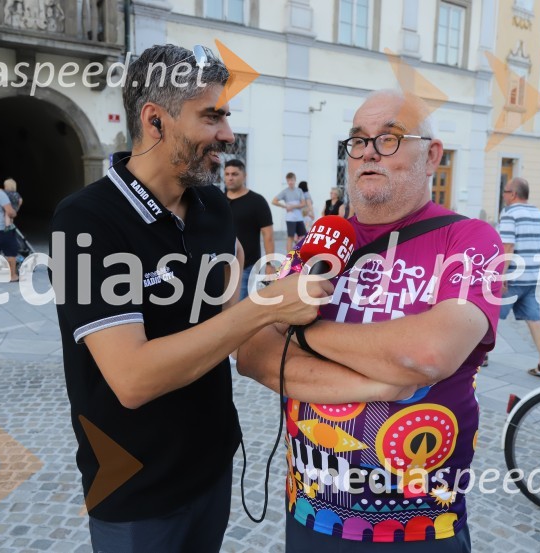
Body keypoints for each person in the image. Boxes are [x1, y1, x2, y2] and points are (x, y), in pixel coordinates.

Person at [49, 44, 330, 553]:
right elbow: (131, 378)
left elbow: (234, 328)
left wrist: (294, 313)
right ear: (155, 121)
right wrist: (263, 306)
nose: (227, 133)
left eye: (226, 115)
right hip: (134, 490)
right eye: (212, 116)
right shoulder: (85, 221)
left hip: (213, 464)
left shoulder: (213, 206)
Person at [239, 90, 502, 552]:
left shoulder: (470, 238)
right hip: (311, 513)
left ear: (431, 155)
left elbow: (427, 353)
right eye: (357, 141)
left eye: (389, 139)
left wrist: (299, 328)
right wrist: (381, 383)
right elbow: (254, 355)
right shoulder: (318, 244)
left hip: (420, 525)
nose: (367, 154)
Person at [499, 177, 540, 377]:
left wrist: (501, 274)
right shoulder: (537, 213)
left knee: (488, 315)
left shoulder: (510, 213)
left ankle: (480, 357)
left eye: (505, 191)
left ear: (513, 194)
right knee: (534, 319)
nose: (503, 195)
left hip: (513, 276)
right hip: (533, 276)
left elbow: (508, 245)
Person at [224, 158, 275, 299]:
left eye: (234, 174)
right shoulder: (219, 200)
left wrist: (269, 264)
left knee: (238, 308)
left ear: (244, 176)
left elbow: (268, 235)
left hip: (247, 267)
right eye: (227, 174)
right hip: (221, 265)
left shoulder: (257, 201)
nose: (230, 178)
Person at [273, 172, 307, 252]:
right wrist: (285, 206)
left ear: (295, 180)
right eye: (288, 180)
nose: (290, 182)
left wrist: (292, 206)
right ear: (287, 181)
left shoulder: (299, 191)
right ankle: (289, 257)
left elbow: (303, 203)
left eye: (292, 180)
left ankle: (301, 254)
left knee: (303, 236)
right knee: (290, 237)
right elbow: (274, 201)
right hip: (290, 218)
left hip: (299, 218)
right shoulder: (285, 191)